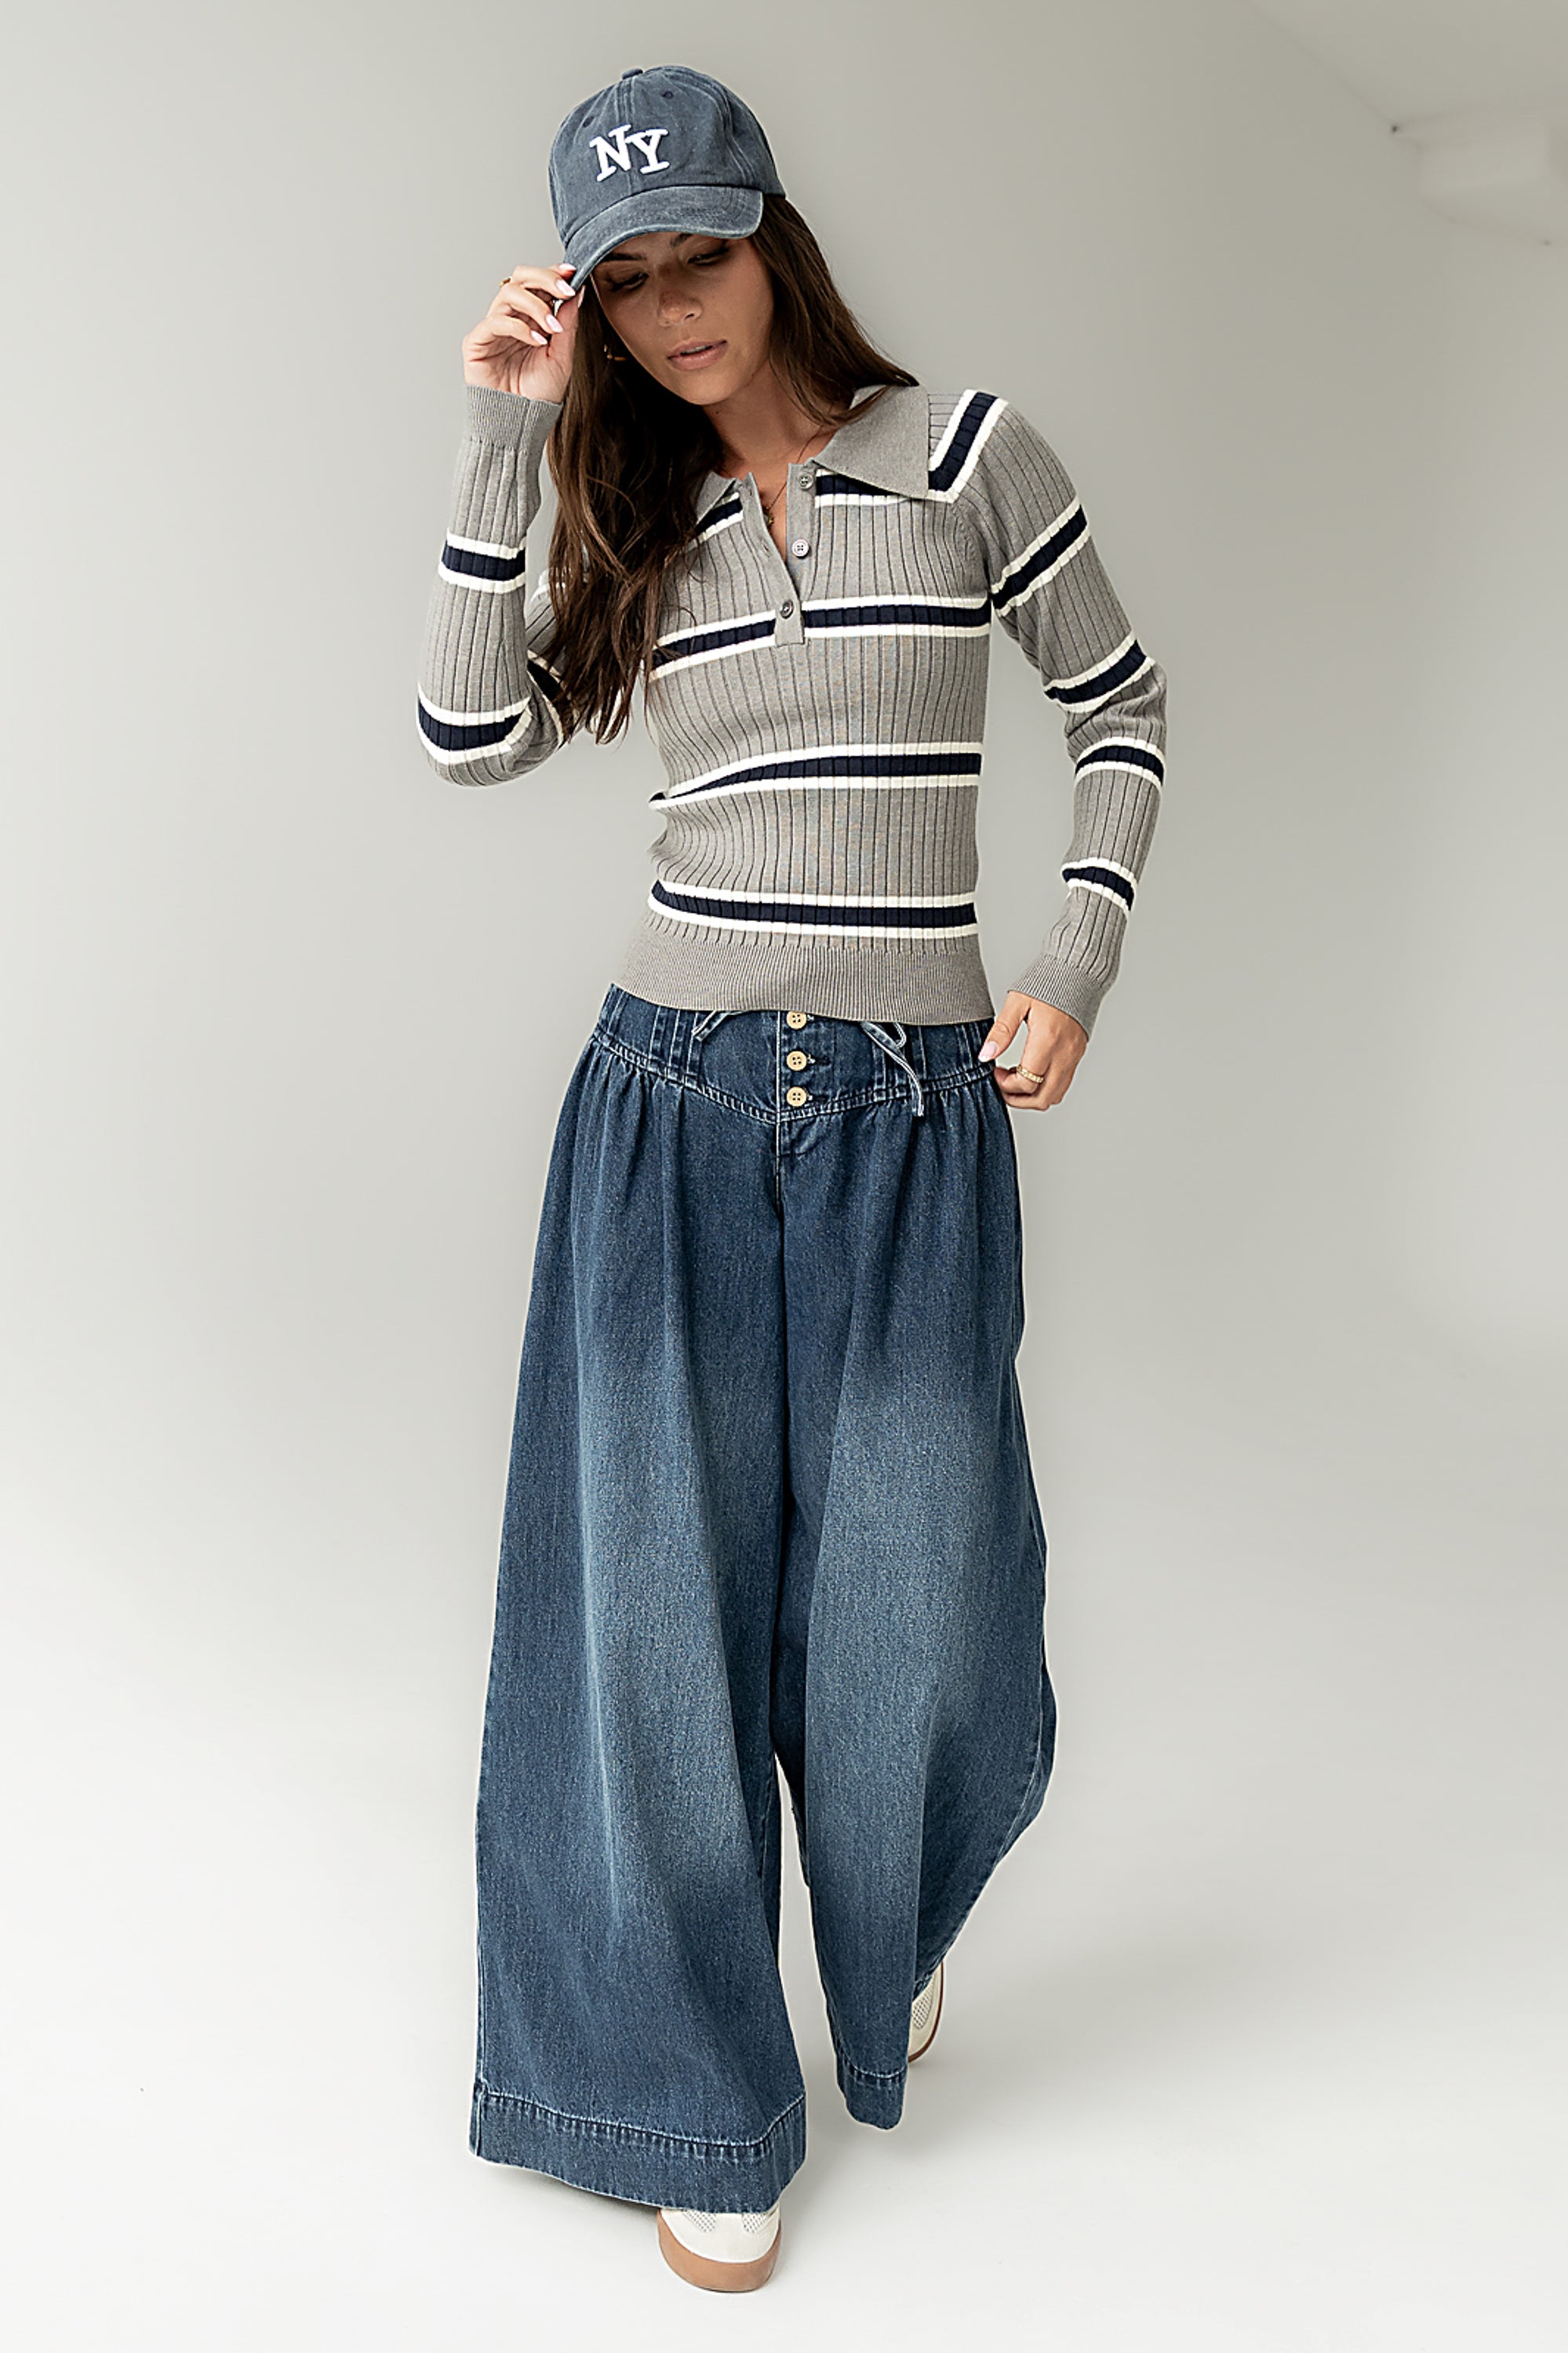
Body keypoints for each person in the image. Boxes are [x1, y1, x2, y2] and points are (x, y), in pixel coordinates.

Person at [417, 64, 1166, 2293]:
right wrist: (503, 435)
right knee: (652, 1614)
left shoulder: (967, 455)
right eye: (631, 282)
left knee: (914, 1592)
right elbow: (467, 734)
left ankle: (885, 1924)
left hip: (915, 1121)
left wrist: (1070, 958)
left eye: (703, 260)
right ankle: (686, 2096)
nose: (677, 314)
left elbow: (1121, 708)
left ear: (775, 240)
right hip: (668, 1110)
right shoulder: (631, 517)